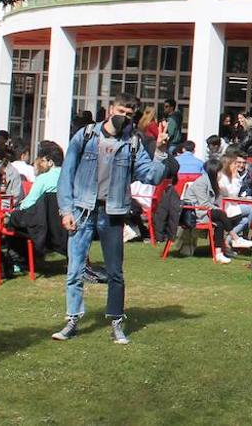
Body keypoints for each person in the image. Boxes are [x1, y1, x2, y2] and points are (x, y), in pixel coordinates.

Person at [53, 92, 171, 344]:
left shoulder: (133, 143)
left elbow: (150, 176)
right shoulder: (85, 135)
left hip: (113, 213)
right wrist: (66, 210)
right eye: (120, 112)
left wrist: (160, 151)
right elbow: (66, 175)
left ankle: (116, 322)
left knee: (115, 272)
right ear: (110, 109)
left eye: (129, 114)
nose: (124, 117)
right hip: (82, 210)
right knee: (75, 270)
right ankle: (72, 320)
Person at [181, 158, 250, 264]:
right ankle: (235, 238)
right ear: (214, 172)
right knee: (221, 213)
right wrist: (217, 208)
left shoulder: (212, 182)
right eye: (220, 171)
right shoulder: (201, 183)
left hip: (204, 211)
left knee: (219, 223)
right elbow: (203, 204)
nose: (221, 174)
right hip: (195, 212)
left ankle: (218, 254)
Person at [19, 141, 63, 211]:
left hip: (42, 219)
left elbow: (27, 205)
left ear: (50, 163)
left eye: (43, 161)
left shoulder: (43, 179)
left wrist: (21, 205)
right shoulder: (69, 178)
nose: (40, 164)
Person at [0, 139, 29, 206]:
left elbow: (16, 197)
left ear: (3, 160)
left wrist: (3, 205)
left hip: (9, 207)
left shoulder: (14, 173)